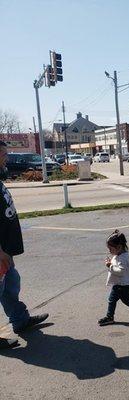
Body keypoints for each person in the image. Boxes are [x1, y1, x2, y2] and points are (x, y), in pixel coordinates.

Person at [0, 141, 48, 349]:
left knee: (10, 285)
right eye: (2, 154)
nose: (6, 158)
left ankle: (20, 320)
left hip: (5, 250)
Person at [98, 230, 129, 326]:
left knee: (122, 300)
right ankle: (111, 316)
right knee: (118, 300)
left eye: (111, 248)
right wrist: (111, 262)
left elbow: (121, 271)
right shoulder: (119, 254)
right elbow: (117, 264)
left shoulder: (123, 258)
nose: (109, 251)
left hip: (122, 284)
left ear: (119, 247)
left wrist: (109, 266)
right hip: (121, 283)